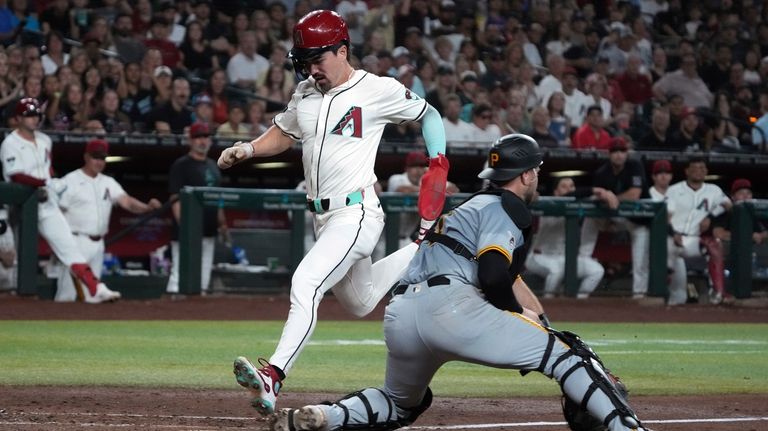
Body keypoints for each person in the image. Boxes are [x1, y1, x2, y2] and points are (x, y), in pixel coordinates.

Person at [268, 134, 651, 431]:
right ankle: (626, 425)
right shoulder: (506, 207)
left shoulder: (473, 207)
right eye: (537, 170)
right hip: (451, 308)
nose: (538, 176)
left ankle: (322, 417)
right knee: (569, 353)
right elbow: (492, 275)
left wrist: (539, 320)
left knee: (401, 403)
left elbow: (509, 278)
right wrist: (524, 318)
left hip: (402, 314)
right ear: (527, 174)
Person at [216, 10, 450, 416]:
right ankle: (423, 245)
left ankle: (273, 375)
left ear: (342, 51)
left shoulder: (377, 89)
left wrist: (439, 161)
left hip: (356, 213)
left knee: (305, 282)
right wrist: (250, 148)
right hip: (321, 218)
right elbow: (284, 132)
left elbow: (429, 115)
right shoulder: (305, 93)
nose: (310, 68)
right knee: (361, 302)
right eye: (305, 60)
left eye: (317, 59)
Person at [0, 98, 120, 303]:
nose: (33, 119)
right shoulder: (10, 143)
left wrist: (50, 181)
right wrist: (45, 181)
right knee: (11, 257)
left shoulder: (45, 140)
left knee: (69, 247)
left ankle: (95, 287)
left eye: (36, 114)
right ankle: (12, 300)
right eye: (28, 115)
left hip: (45, 203)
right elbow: (15, 175)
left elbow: (47, 168)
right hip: (19, 205)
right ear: (18, 118)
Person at [53, 139, 162, 302]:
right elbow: (56, 214)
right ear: (86, 157)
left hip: (98, 244)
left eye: (102, 158)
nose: (99, 162)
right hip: (75, 241)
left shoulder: (108, 182)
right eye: (95, 157)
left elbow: (127, 202)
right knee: (67, 294)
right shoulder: (70, 181)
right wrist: (60, 244)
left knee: (94, 296)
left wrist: (146, 207)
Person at [580, 137, 651, 299]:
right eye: (615, 151)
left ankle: (639, 297)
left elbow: (635, 194)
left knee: (640, 262)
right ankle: (582, 258)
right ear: (609, 154)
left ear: (626, 153)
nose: (618, 155)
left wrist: (614, 197)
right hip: (614, 218)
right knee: (590, 216)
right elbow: (598, 197)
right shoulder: (602, 172)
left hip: (638, 220)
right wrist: (606, 197)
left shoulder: (635, 166)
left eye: (622, 151)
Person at [166, 122, 228, 295]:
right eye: (198, 137)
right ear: (190, 140)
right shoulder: (181, 165)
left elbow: (218, 198)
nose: (202, 141)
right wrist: (184, 226)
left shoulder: (213, 166)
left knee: (204, 272)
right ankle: (171, 306)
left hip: (209, 228)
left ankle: (198, 310)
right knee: (181, 268)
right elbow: (174, 198)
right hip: (188, 229)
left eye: (205, 137)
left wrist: (222, 223)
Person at [666, 158, 732, 305]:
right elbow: (664, 217)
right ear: (687, 171)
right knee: (678, 294)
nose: (699, 171)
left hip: (692, 240)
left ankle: (718, 293)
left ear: (706, 172)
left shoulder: (713, 190)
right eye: (694, 168)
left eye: (702, 168)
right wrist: (673, 233)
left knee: (714, 246)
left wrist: (710, 216)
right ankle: (657, 293)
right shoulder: (674, 190)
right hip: (671, 238)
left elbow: (728, 205)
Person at [525, 177, 605, 299]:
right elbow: (572, 195)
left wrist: (604, 195)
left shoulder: (579, 205)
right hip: (539, 257)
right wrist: (594, 190)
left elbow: (594, 199)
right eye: (564, 186)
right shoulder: (549, 203)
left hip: (565, 258)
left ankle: (577, 301)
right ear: (556, 192)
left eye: (571, 186)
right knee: (556, 272)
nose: (569, 189)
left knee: (596, 270)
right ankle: (548, 302)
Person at [387, 151, 459, 248]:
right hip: (386, 239)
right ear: (407, 168)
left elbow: (454, 189)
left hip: (406, 239)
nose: (418, 170)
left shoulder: (425, 182)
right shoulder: (397, 178)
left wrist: (433, 181)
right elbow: (404, 189)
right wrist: (432, 190)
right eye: (414, 166)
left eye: (421, 166)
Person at [712, 178, 768, 246]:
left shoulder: (757, 212)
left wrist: (761, 236)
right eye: (741, 193)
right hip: (730, 251)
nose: (745, 196)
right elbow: (719, 233)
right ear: (733, 197)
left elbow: (764, 231)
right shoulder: (725, 212)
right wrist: (748, 236)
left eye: (748, 193)